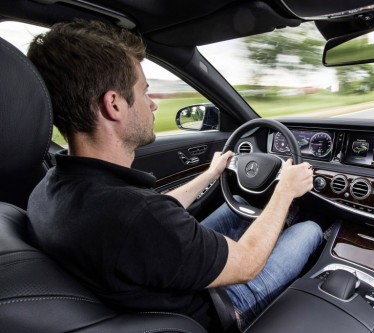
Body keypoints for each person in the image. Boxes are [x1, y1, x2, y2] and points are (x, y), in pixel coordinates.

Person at [26, 19, 322, 332]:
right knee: (311, 229)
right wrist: (285, 191)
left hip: (159, 278)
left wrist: (210, 173)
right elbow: (247, 264)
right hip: (221, 305)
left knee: (234, 206)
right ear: (113, 104)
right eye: (144, 92)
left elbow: (157, 213)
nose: (153, 104)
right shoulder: (134, 216)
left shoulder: (52, 187)